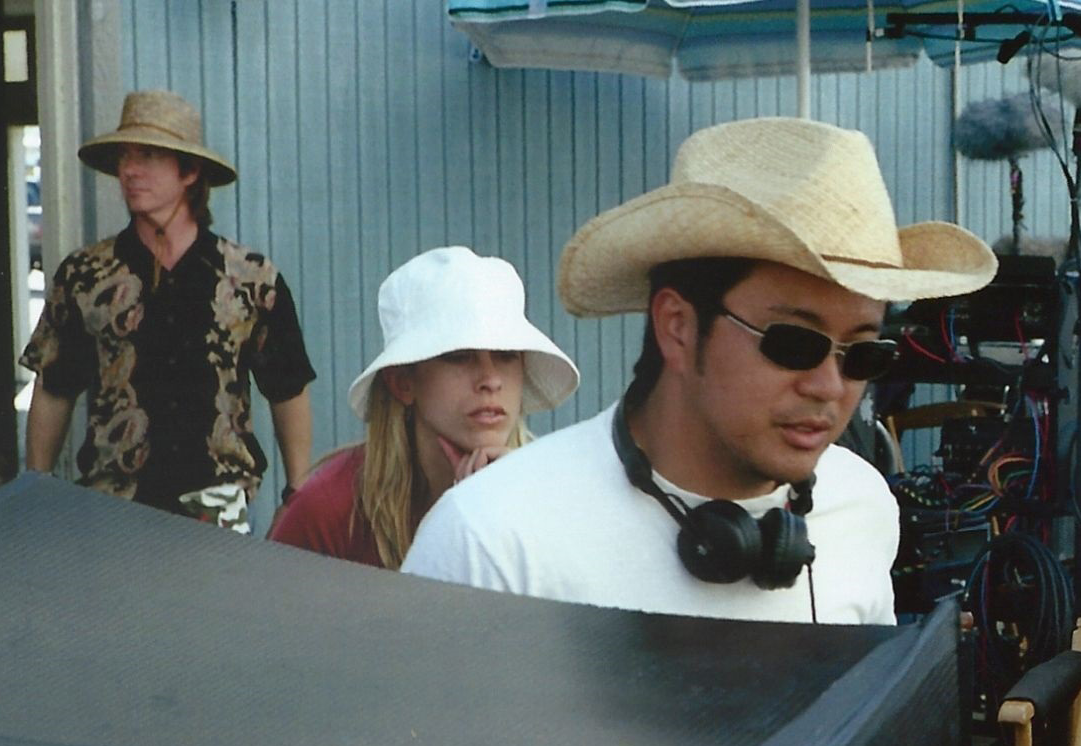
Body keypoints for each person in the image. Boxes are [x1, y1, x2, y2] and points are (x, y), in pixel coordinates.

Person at [401, 118, 996, 624]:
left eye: (864, 355)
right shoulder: (489, 543)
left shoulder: (862, 505)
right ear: (678, 328)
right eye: (793, 343)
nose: (829, 387)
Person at [19, 90, 314, 531]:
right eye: (124, 156)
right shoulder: (86, 275)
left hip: (218, 506)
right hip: (114, 502)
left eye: (149, 156)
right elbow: (54, 385)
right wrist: (36, 486)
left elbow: (288, 387)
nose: (130, 170)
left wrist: (298, 493)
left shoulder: (250, 278)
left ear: (189, 172)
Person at [269, 247, 579, 569]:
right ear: (402, 383)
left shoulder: (551, 504)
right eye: (460, 356)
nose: (490, 380)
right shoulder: (329, 509)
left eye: (506, 355)